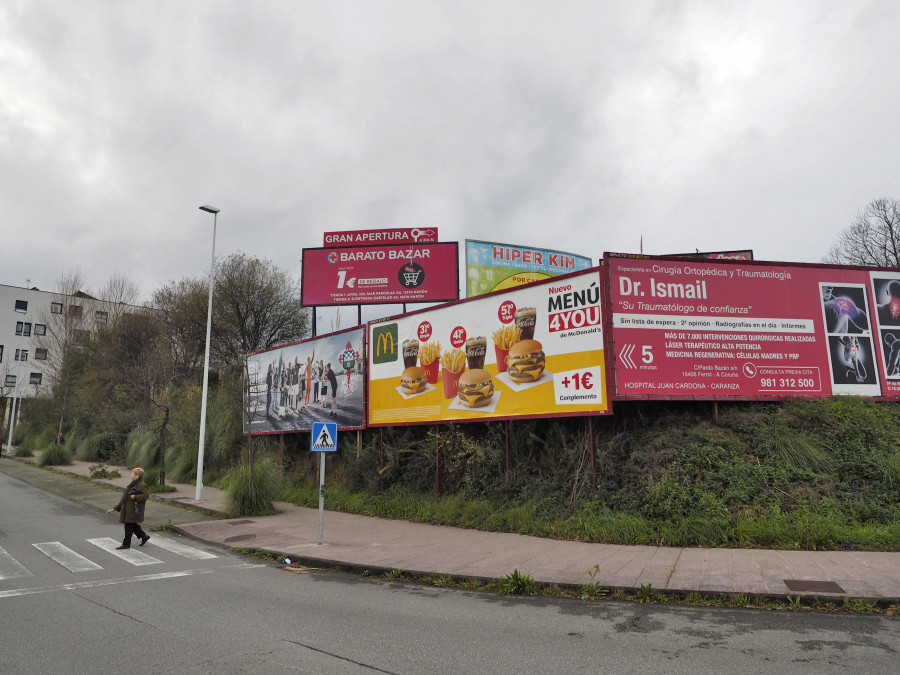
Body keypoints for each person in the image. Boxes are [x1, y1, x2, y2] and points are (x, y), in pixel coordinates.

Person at [107, 467, 150, 549]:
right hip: (129, 510)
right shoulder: (133, 484)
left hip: (134, 510)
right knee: (132, 525)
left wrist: (136, 497)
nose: (131, 475)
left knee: (128, 527)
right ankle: (144, 536)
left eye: (132, 474)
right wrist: (116, 508)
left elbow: (146, 495)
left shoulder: (142, 485)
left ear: (137, 476)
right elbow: (125, 498)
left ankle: (126, 544)